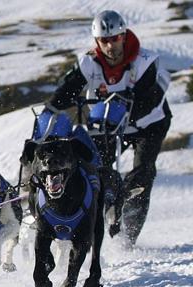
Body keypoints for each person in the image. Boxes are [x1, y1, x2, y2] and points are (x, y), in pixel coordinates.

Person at [44, 10, 171, 247]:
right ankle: (99, 216)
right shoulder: (88, 63)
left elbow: (149, 101)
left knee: (143, 171)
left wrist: (121, 104)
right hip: (107, 125)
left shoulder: (145, 62)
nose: (110, 46)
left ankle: (127, 236)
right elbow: (66, 92)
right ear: (97, 42)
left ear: (123, 36)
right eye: (105, 41)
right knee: (97, 167)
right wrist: (51, 108)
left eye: (115, 39)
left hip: (148, 124)